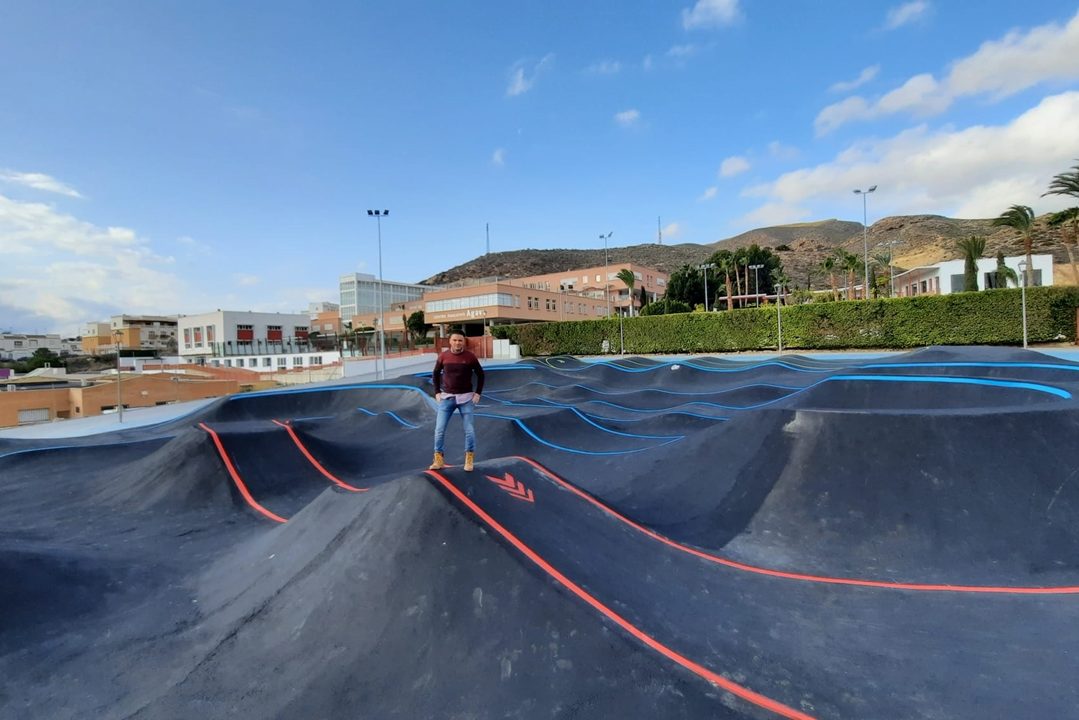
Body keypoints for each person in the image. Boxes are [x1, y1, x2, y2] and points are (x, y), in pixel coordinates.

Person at [429, 332, 484, 471]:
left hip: (466, 399)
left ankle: (469, 458)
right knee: (439, 430)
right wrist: (436, 392)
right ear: (450, 341)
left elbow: (481, 374)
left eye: (460, 340)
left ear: (463, 342)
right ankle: (438, 459)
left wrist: (478, 393)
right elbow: (435, 373)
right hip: (447, 399)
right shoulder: (443, 356)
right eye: (455, 340)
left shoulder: (470, 357)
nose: (457, 343)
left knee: (469, 430)